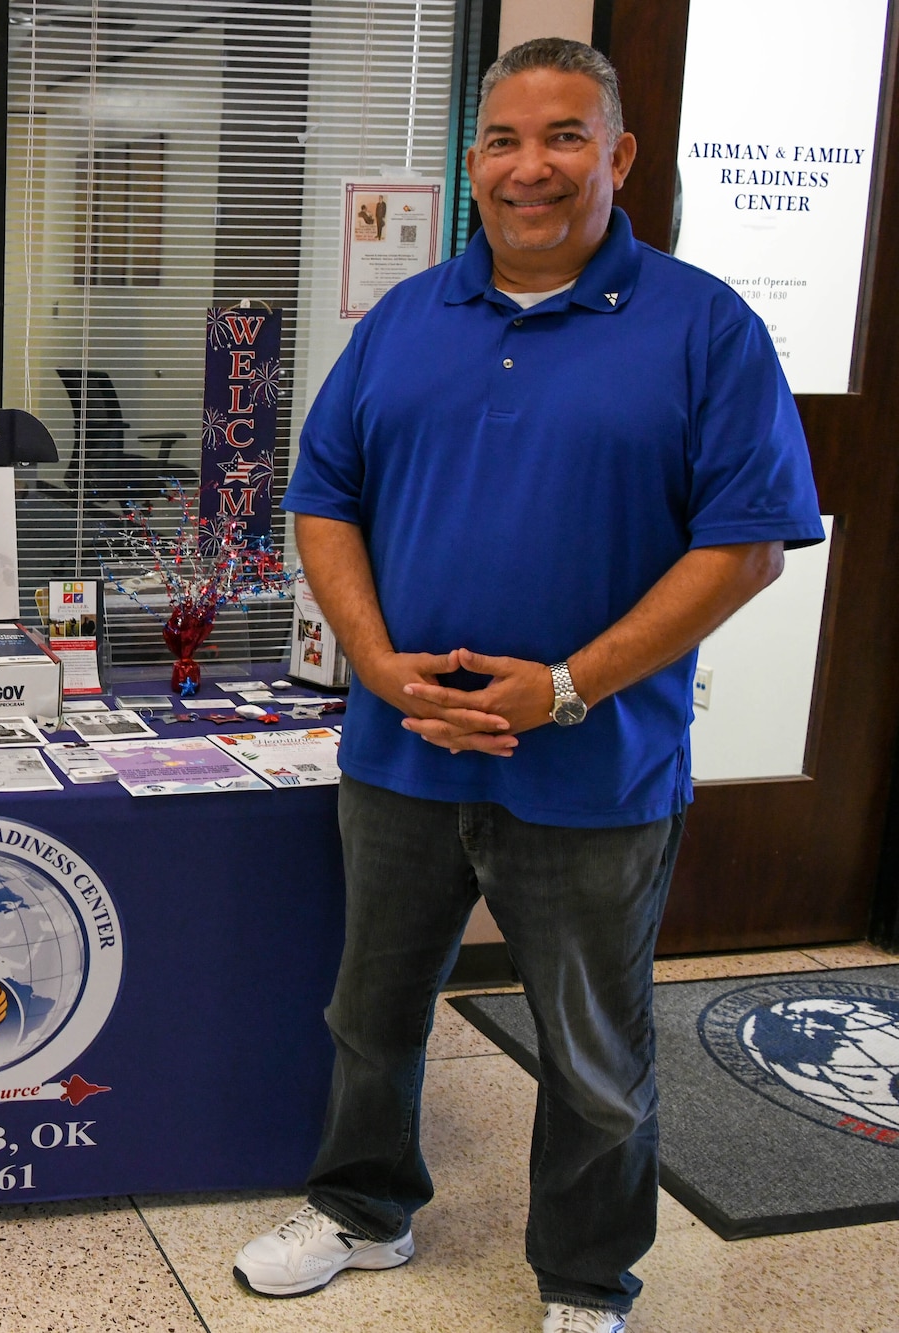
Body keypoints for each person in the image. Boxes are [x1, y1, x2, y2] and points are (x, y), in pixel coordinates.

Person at [235, 39, 822, 1333]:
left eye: (564, 137)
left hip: (593, 762)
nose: (530, 167)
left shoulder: (702, 327)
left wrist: (560, 687)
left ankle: (584, 1278)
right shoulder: (407, 319)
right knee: (370, 1012)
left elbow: (748, 547)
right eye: (503, 140)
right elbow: (324, 501)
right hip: (403, 747)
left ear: (616, 157)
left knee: (594, 1054)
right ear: (472, 163)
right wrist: (380, 664)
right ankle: (363, 1210)